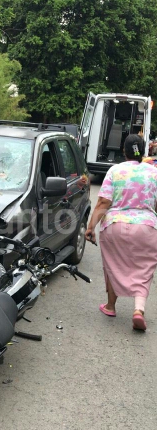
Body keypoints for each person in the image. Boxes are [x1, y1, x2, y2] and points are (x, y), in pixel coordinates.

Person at [85, 133, 157, 331]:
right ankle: (138, 310)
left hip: (115, 225)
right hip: (146, 227)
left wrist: (90, 227)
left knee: (113, 264)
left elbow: (104, 202)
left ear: (123, 151)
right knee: (144, 268)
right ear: (144, 151)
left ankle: (110, 306)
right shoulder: (154, 172)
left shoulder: (115, 170)